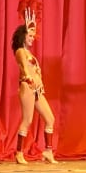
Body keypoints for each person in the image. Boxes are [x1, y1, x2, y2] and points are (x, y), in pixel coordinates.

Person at [11, 10, 56, 164]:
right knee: (27, 120)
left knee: (50, 119)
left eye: (33, 36)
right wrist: (28, 76)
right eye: (30, 36)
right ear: (23, 36)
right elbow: (24, 67)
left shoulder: (30, 53)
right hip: (27, 87)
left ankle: (48, 151)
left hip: (37, 90)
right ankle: (19, 153)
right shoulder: (20, 51)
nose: (32, 39)